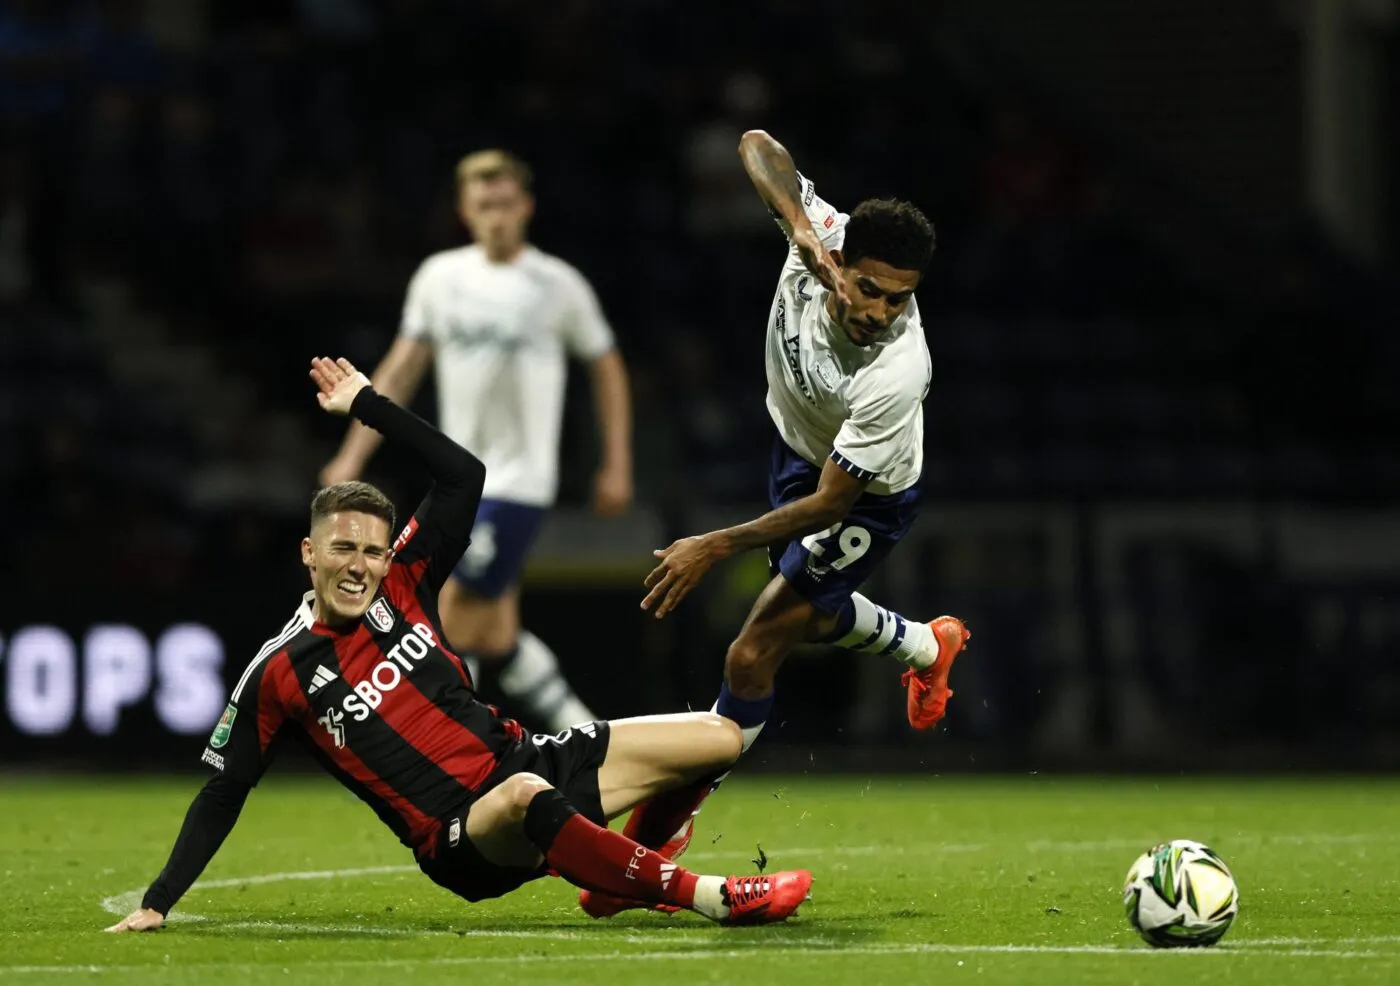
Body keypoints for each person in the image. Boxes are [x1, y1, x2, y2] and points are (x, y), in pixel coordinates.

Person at [104, 358, 811, 933]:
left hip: (528, 760)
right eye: (342, 549)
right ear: (309, 555)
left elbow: (463, 474)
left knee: (719, 739)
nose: (359, 566)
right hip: (462, 835)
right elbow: (224, 791)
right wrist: (158, 901)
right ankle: (710, 896)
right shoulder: (279, 672)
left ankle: (619, 875)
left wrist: (368, 405)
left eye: (372, 551)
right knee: (525, 796)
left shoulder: (406, 581)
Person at [577, 130, 970, 917]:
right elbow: (757, 145)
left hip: (862, 496)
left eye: (899, 299)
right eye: (869, 288)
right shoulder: (820, 233)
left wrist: (713, 545)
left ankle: (655, 845)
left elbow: (830, 506)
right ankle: (927, 646)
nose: (879, 312)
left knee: (752, 654)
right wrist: (797, 226)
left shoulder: (899, 371)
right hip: (797, 452)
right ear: (840, 257)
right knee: (810, 615)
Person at [320, 149, 631, 734]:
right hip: (457, 481)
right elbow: (402, 369)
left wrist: (616, 462)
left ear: (526, 207)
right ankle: (593, 741)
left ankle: (455, 751)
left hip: (518, 482)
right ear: (465, 211)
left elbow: (607, 366)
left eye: (506, 203)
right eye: (484, 204)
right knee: (495, 631)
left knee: (449, 618)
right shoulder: (440, 278)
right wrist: (351, 456)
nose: (496, 216)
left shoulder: (557, 285)